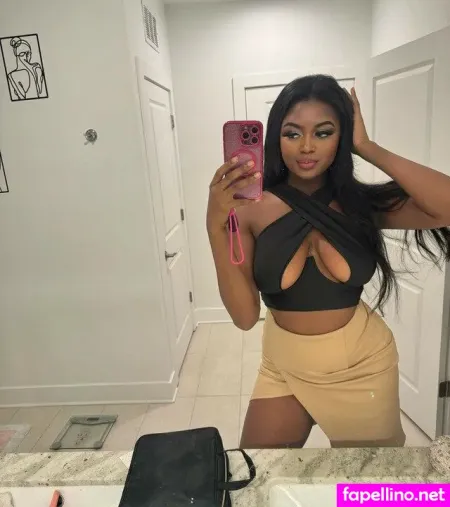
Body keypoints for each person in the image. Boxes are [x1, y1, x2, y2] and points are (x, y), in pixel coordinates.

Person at [206, 75, 450, 449]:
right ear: (275, 138)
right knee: (257, 474)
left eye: (323, 132)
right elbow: (243, 317)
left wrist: (367, 147)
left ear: (342, 137)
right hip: (284, 367)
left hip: (362, 368)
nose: (307, 146)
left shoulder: (360, 205)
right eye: (292, 133)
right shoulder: (250, 210)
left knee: (366, 481)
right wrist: (215, 225)